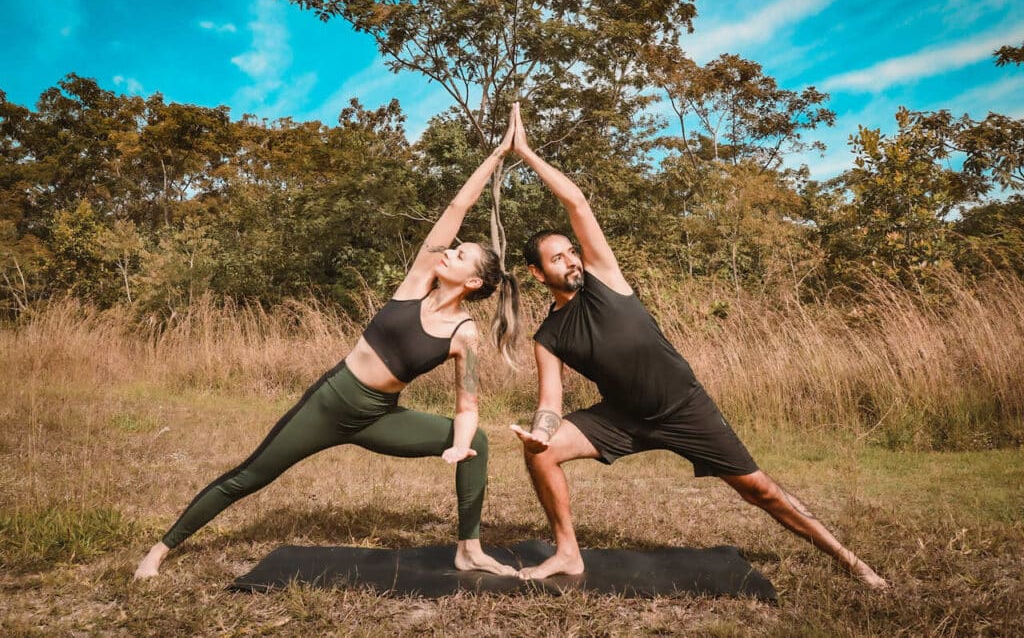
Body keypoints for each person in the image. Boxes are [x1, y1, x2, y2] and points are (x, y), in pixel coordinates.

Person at [507, 104, 888, 589]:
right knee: (539, 454)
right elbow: (550, 404)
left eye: (571, 251)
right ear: (539, 274)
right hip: (623, 418)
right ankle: (568, 555)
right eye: (557, 259)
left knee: (761, 491)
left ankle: (850, 560)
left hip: (684, 407)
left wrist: (527, 153)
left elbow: (577, 204)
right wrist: (542, 432)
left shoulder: (604, 277)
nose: (571, 261)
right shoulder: (549, 336)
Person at [134, 106, 523, 579]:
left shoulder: (466, 334)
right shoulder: (417, 281)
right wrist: (499, 153)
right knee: (251, 475)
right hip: (330, 401)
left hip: (377, 417)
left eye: (461, 254)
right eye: (454, 246)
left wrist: (459, 446)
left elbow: (467, 407)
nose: (450, 250)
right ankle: (160, 550)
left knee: (478, 441)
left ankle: (468, 549)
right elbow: (456, 209)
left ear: (476, 283)